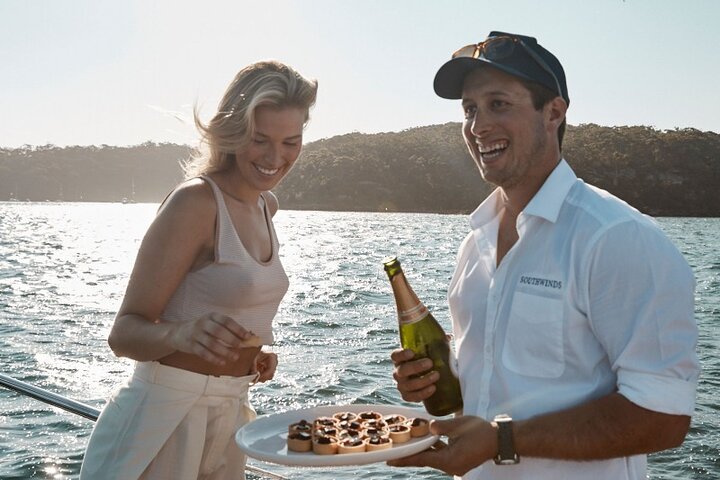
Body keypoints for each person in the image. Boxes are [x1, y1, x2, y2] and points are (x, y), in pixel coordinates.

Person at [388, 31, 699, 479]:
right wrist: (435, 381)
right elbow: (485, 385)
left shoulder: (616, 237)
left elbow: (664, 418)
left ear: (553, 113)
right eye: (470, 109)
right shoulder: (475, 242)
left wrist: (502, 440)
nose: (478, 127)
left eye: (499, 104)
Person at [80, 60, 318, 480]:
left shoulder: (267, 206)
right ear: (233, 131)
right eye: (259, 139)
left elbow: (221, 300)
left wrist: (252, 355)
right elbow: (123, 334)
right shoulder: (196, 202)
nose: (275, 157)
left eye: (290, 142)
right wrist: (181, 334)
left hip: (232, 414)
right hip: (164, 417)